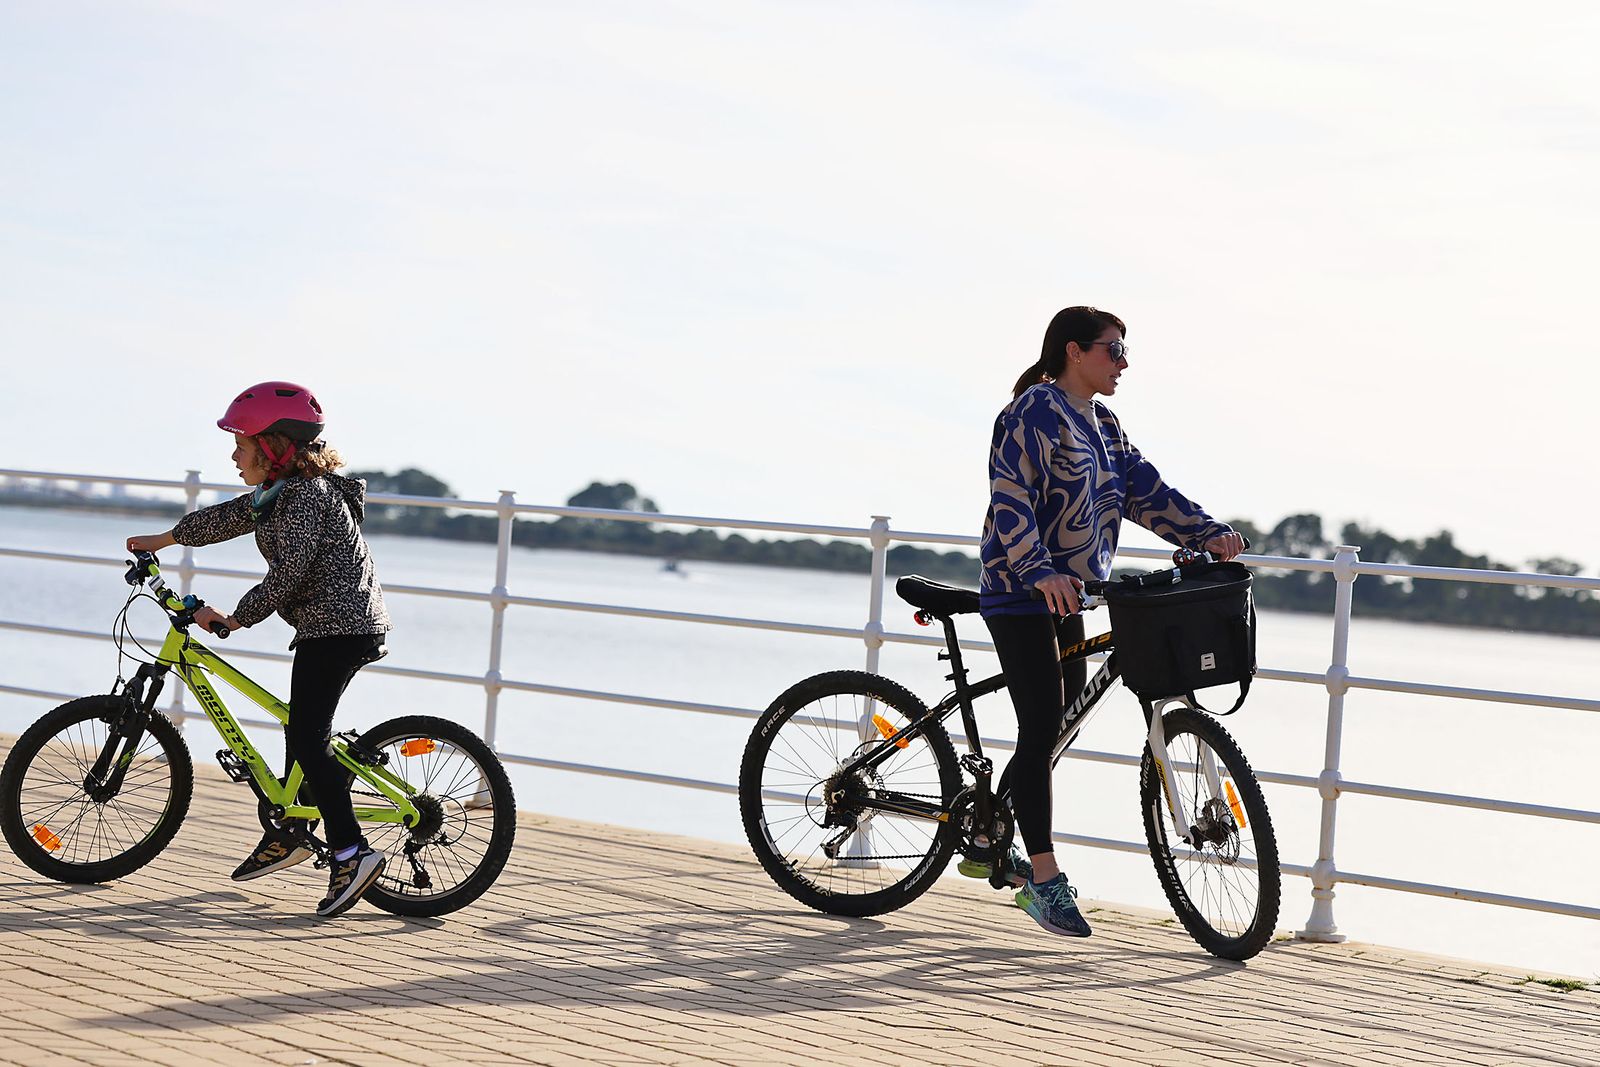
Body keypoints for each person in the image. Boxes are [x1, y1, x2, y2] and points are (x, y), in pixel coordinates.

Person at [973, 307, 1245, 938]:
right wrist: (1040, 571)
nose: (1124, 363)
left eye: (1126, 351)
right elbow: (1008, 495)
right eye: (1114, 350)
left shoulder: (1105, 424)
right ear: (1075, 351)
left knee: (1058, 719)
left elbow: (1146, 490)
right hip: (1022, 591)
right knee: (1041, 725)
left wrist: (1205, 531)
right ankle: (1043, 880)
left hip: (1075, 594)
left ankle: (988, 830)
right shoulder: (1032, 412)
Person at [126, 381, 393, 918]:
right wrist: (164, 540)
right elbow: (226, 518)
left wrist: (235, 617)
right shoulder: (278, 494)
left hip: (342, 628)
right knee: (299, 724)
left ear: (274, 449)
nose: (233, 455)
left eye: (242, 445)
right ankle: (294, 830)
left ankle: (351, 851)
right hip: (325, 626)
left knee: (308, 734)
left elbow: (291, 574)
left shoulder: (306, 498)